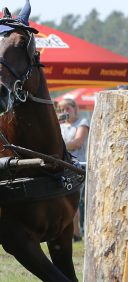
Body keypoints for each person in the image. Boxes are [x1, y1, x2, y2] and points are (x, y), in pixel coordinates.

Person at [58, 97, 89, 242]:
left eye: (67, 109)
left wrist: (57, 144)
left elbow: (77, 143)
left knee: (74, 202)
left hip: (78, 166)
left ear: (75, 108)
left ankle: (76, 235)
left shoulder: (82, 123)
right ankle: (67, 235)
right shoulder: (61, 126)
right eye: (61, 110)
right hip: (63, 166)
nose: (64, 112)